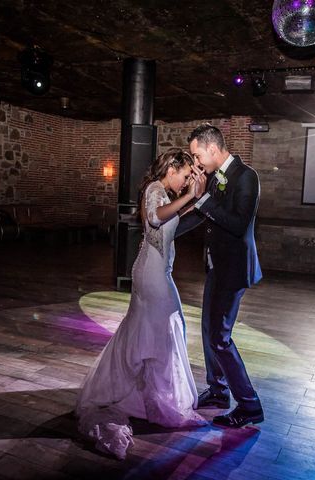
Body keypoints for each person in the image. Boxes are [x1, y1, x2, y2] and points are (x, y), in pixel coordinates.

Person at [76, 148, 206, 460]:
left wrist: (198, 199)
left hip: (158, 270)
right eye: (186, 174)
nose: (187, 180)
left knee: (160, 326)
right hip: (152, 274)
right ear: (172, 168)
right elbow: (154, 217)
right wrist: (189, 196)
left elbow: (170, 219)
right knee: (163, 327)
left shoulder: (165, 194)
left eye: (190, 177)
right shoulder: (155, 189)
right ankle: (151, 394)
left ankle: (142, 390)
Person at [176, 123, 264, 428]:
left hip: (234, 268)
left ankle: (250, 406)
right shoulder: (217, 177)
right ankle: (217, 391)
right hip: (216, 266)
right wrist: (165, 231)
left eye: (197, 155)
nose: (197, 162)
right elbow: (202, 214)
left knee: (219, 338)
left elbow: (238, 224)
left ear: (212, 148)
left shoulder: (246, 176)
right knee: (208, 330)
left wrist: (203, 199)